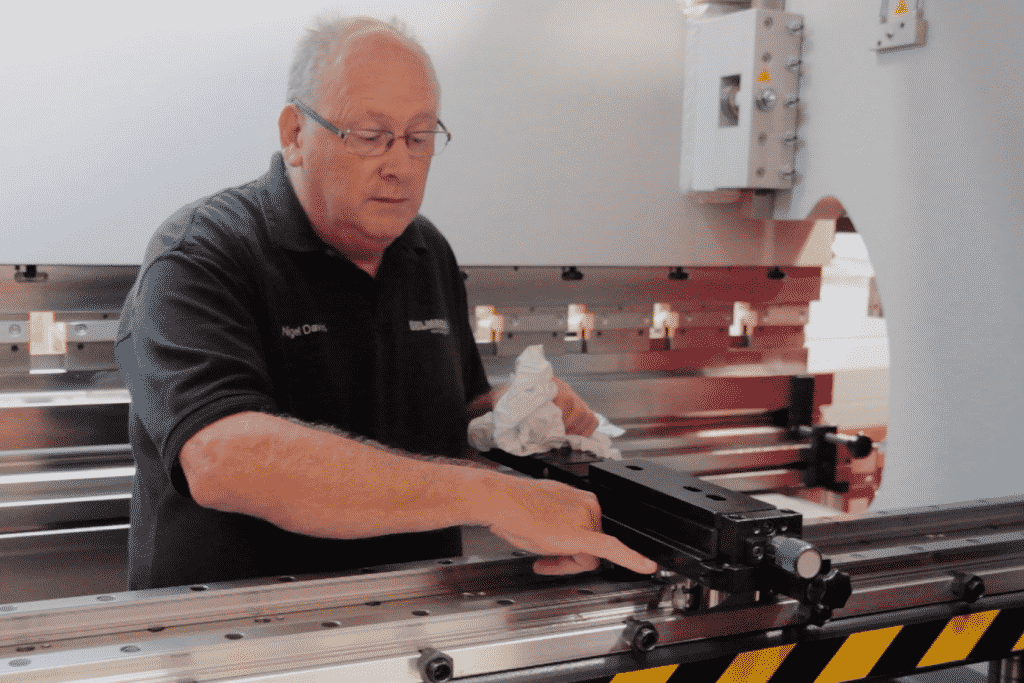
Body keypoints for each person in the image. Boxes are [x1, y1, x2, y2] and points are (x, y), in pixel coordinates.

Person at [115, 15, 657, 590]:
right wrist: (494, 497)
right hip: (240, 636)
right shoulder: (200, 252)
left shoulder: (425, 251)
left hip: (411, 617)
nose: (399, 165)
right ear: (295, 134)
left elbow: (457, 416)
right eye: (371, 137)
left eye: (420, 138)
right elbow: (223, 461)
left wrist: (516, 416)